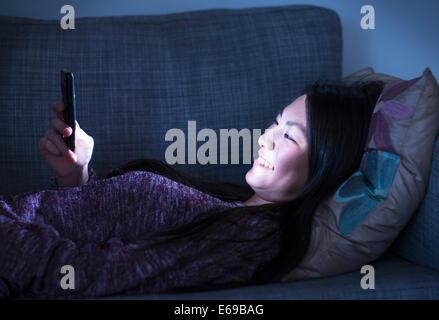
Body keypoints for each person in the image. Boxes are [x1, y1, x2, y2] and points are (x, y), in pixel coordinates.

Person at [0, 80, 384, 299]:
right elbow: (109, 229)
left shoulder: (251, 240)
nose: (265, 138)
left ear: (325, 169)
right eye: (275, 123)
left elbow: (86, 275)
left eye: (289, 137)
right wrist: (76, 177)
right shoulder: (234, 206)